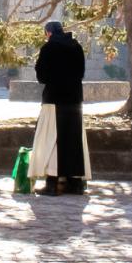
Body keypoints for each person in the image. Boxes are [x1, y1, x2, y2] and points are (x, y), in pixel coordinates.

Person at [29, 20, 90, 195]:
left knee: (52, 140)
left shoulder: (48, 48)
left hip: (54, 100)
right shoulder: (76, 47)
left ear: (48, 33)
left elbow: (42, 76)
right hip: (74, 101)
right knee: (73, 140)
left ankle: (52, 184)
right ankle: (75, 183)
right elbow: (81, 73)